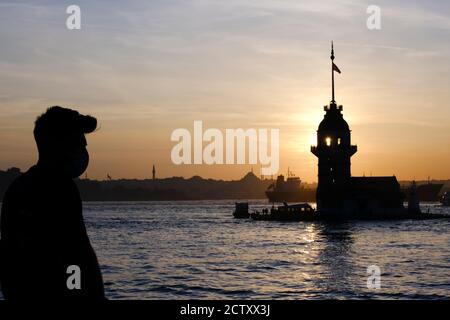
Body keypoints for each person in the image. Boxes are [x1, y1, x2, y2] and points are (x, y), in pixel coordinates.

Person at [0, 106, 105, 299]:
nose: (84, 145)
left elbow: (9, 267)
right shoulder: (60, 190)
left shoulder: (17, 190)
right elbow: (78, 254)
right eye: (78, 140)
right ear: (58, 143)